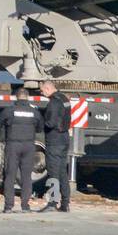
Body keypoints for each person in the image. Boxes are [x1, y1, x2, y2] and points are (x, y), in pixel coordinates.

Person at [0, 82, 43, 213]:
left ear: (16, 97)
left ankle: (8, 206)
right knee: (26, 176)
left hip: (13, 145)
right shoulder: (34, 112)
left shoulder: (9, 110)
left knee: (10, 175)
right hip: (29, 145)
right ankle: (25, 205)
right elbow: (40, 128)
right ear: (28, 97)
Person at [40, 81, 72, 212]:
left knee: (53, 171)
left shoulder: (53, 102)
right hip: (64, 138)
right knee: (62, 172)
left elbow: (50, 123)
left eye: (42, 91)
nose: (42, 93)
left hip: (55, 139)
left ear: (48, 89)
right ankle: (65, 203)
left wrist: (41, 121)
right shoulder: (64, 98)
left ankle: (53, 203)